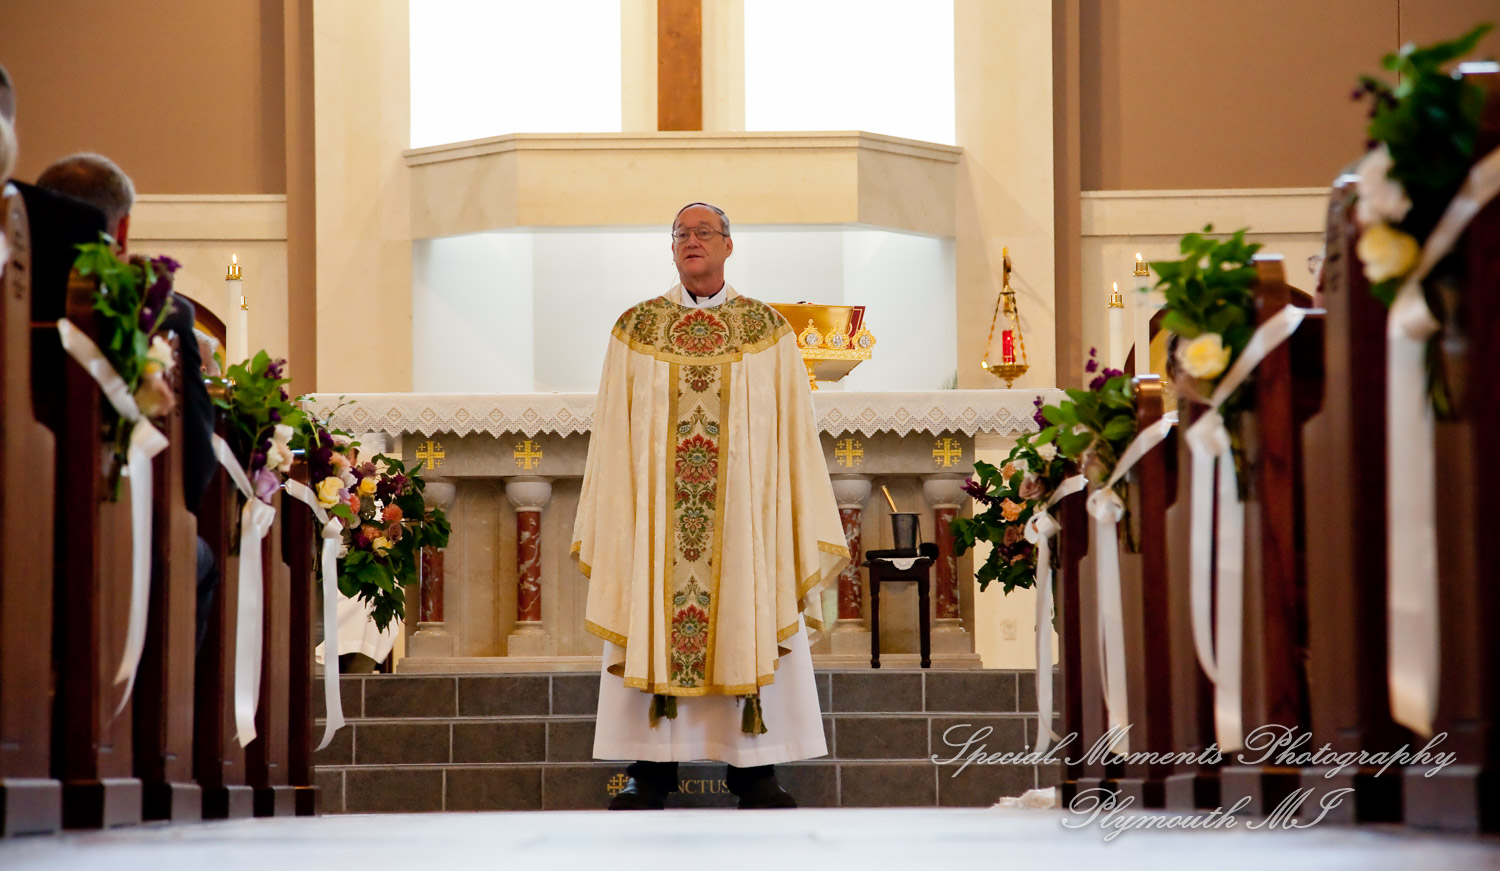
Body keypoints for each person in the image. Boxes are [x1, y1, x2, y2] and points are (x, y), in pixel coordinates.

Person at [573, 203, 850, 810]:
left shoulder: (767, 330)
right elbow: (614, 433)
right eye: (681, 234)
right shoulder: (635, 329)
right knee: (652, 620)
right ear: (671, 250)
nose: (691, 242)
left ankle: (754, 772)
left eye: (704, 233)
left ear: (729, 245)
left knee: (746, 613)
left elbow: (792, 434)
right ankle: (650, 770)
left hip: (743, 521)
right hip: (656, 521)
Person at [34, 151, 220, 651]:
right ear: (121, 231)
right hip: (104, 531)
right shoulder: (155, 308)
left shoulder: (12, 287)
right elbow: (196, 470)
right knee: (196, 560)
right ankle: (149, 721)